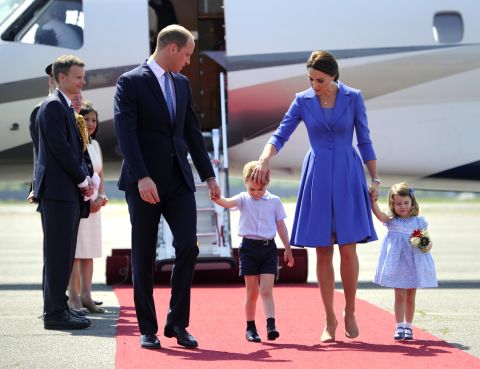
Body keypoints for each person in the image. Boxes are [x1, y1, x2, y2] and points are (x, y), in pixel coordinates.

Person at [252, 50, 380, 343]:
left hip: (348, 173)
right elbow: (280, 133)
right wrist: (264, 158)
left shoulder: (354, 97)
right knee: (323, 249)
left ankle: (350, 310)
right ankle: (329, 318)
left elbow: (365, 139)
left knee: (348, 247)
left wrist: (375, 178)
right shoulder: (302, 100)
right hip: (318, 174)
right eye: (310, 79)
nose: (314, 85)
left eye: (319, 80)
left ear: (333, 75)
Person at [114, 24, 221, 349]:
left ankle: (177, 323)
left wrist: (209, 175)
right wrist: (141, 175)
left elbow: (191, 131)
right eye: (187, 54)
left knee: (188, 245)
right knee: (144, 255)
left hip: (178, 180)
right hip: (144, 182)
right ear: (172, 48)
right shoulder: (130, 82)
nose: (189, 61)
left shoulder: (182, 83)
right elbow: (126, 134)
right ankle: (148, 328)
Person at [34, 54, 94, 330]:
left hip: (64, 192)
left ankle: (60, 307)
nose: (83, 81)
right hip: (59, 192)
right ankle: (55, 313)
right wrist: (83, 180)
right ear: (61, 78)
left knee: (63, 253)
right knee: (58, 253)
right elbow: (61, 150)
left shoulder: (64, 107)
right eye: (78, 77)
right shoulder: (53, 108)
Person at [212, 161, 294, 343]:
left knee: (266, 289)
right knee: (252, 291)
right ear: (246, 184)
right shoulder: (242, 199)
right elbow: (226, 202)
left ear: (267, 183)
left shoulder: (274, 201)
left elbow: (281, 225)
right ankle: (250, 327)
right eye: (252, 189)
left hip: (268, 249)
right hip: (248, 248)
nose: (256, 193)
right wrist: (217, 198)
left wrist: (287, 248)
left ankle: (271, 325)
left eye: (260, 189)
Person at [371, 182, 438, 340]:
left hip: (414, 264)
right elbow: (379, 214)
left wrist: (424, 243)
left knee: (410, 296)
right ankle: (399, 326)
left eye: (406, 203)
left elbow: (427, 242)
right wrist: (372, 202)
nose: (402, 207)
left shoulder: (419, 222)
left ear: (412, 202)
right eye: (398, 204)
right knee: (399, 295)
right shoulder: (391, 221)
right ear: (392, 204)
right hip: (398, 264)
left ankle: (409, 326)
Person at [67, 102, 108, 314]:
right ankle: (73, 297)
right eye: (87, 119)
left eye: (94, 119)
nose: (91, 123)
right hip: (80, 202)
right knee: (75, 252)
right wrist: (88, 201)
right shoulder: (75, 143)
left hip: (94, 204)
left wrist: (101, 196)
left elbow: (100, 173)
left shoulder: (95, 144)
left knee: (89, 251)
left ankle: (87, 296)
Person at [27, 63, 57, 204]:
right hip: (52, 186)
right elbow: (39, 151)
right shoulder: (40, 110)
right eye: (54, 76)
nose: (56, 80)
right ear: (50, 81)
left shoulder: (76, 107)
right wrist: (36, 185)